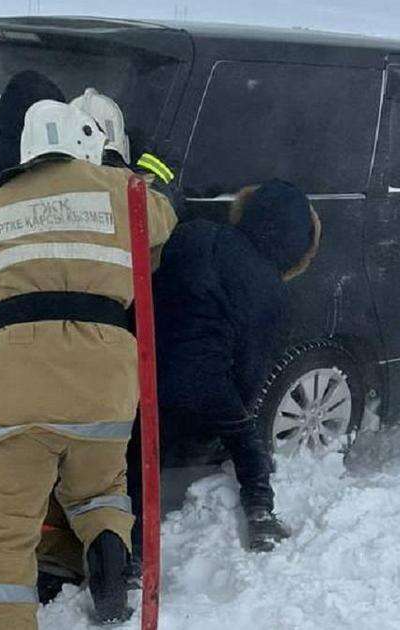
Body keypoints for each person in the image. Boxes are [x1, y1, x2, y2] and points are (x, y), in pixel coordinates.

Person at [0, 99, 177, 628]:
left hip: (15, 374)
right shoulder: (125, 193)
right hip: (105, 370)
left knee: (0, 521)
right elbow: (162, 225)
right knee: (99, 486)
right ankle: (108, 551)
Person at [135, 179, 321, 553]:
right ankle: (259, 511)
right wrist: (232, 418)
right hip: (206, 383)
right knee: (246, 441)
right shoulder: (272, 291)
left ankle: (131, 549)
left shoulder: (194, 233)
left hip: (142, 364)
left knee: (135, 454)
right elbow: (249, 373)